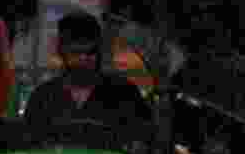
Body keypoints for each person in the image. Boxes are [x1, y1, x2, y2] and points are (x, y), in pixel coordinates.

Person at [22, 10, 151, 131]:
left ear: (99, 52)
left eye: (90, 52)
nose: (83, 59)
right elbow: (29, 140)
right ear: (61, 52)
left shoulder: (125, 94)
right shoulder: (42, 98)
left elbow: (142, 137)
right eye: (76, 53)